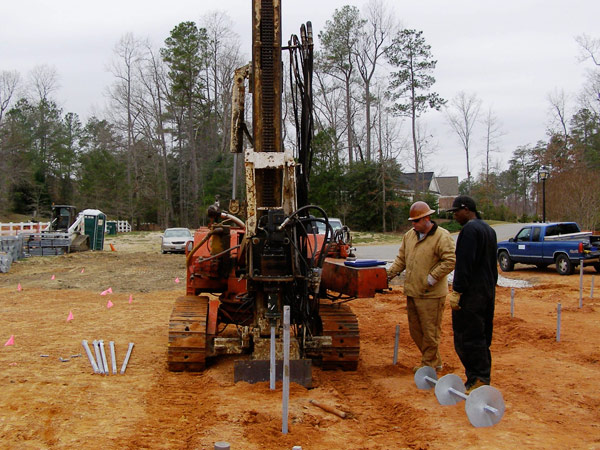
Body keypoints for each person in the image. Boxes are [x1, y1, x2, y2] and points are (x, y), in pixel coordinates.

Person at [387, 201, 456, 372]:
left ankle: (429, 366)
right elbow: (401, 260)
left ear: (427, 218)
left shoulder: (442, 236)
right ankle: (435, 361)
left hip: (431, 295)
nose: (413, 224)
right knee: (416, 332)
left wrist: (431, 278)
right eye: (412, 221)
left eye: (416, 221)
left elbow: (450, 260)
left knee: (430, 333)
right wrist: (387, 276)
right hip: (413, 292)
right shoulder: (409, 236)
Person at [446, 195, 498, 392]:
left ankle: (478, 379)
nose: (455, 216)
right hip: (487, 292)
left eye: (456, 212)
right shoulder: (488, 230)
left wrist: (457, 291)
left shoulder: (469, 230)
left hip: (471, 295)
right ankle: (481, 376)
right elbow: (492, 266)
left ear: (466, 209)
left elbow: (464, 265)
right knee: (483, 336)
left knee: (466, 337)